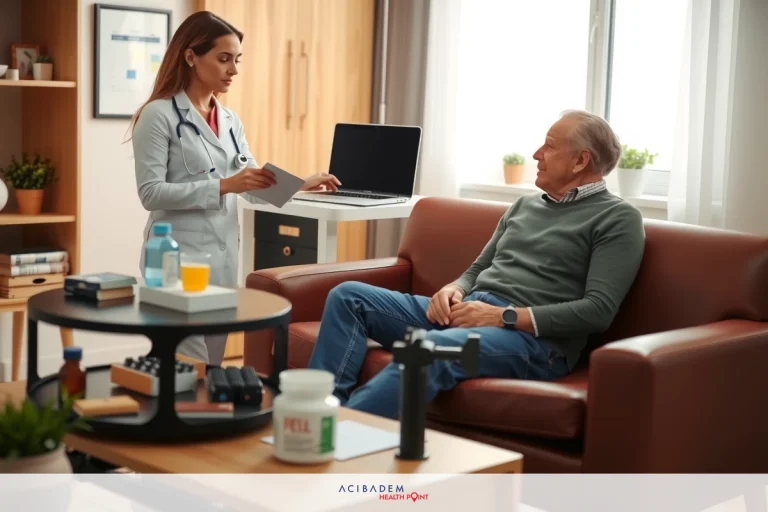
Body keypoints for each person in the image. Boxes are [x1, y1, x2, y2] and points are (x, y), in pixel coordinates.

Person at [307, 110, 646, 419]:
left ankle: (335, 437)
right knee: (348, 296)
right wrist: (453, 289)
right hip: (470, 313)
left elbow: (598, 310)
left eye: (550, 147)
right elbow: (476, 270)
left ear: (580, 161)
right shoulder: (525, 206)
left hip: (534, 343)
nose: (536, 155)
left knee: (428, 352)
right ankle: (314, 414)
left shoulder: (618, 218)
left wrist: (503, 317)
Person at [130, 12, 339, 364]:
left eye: (237, 59)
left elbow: (250, 184)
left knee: (210, 365)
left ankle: (201, 419)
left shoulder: (229, 120)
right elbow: (150, 193)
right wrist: (224, 185)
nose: (234, 69)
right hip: (174, 262)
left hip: (222, 262)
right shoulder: (159, 115)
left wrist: (301, 184)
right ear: (191, 56)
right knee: (184, 365)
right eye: (224, 58)